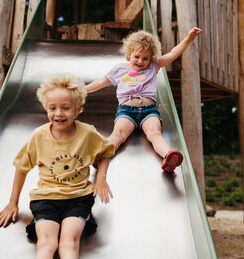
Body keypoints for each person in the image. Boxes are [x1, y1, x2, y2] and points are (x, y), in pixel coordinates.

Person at [0, 73, 115, 259]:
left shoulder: (87, 133)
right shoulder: (39, 136)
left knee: (69, 240)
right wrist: (12, 203)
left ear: (78, 108)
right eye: (53, 108)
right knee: (47, 242)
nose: (59, 113)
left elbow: (106, 151)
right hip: (45, 199)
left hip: (78, 199)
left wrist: (100, 178)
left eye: (66, 108)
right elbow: (21, 167)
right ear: (46, 108)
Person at [85, 28, 202, 172]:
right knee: (118, 135)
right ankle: (102, 156)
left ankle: (169, 156)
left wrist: (188, 39)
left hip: (149, 111)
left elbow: (172, 54)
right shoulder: (119, 70)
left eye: (145, 58)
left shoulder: (154, 66)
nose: (140, 61)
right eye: (137, 56)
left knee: (154, 134)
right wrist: (82, 90)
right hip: (126, 111)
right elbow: (100, 82)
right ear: (129, 54)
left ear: (151, 58)